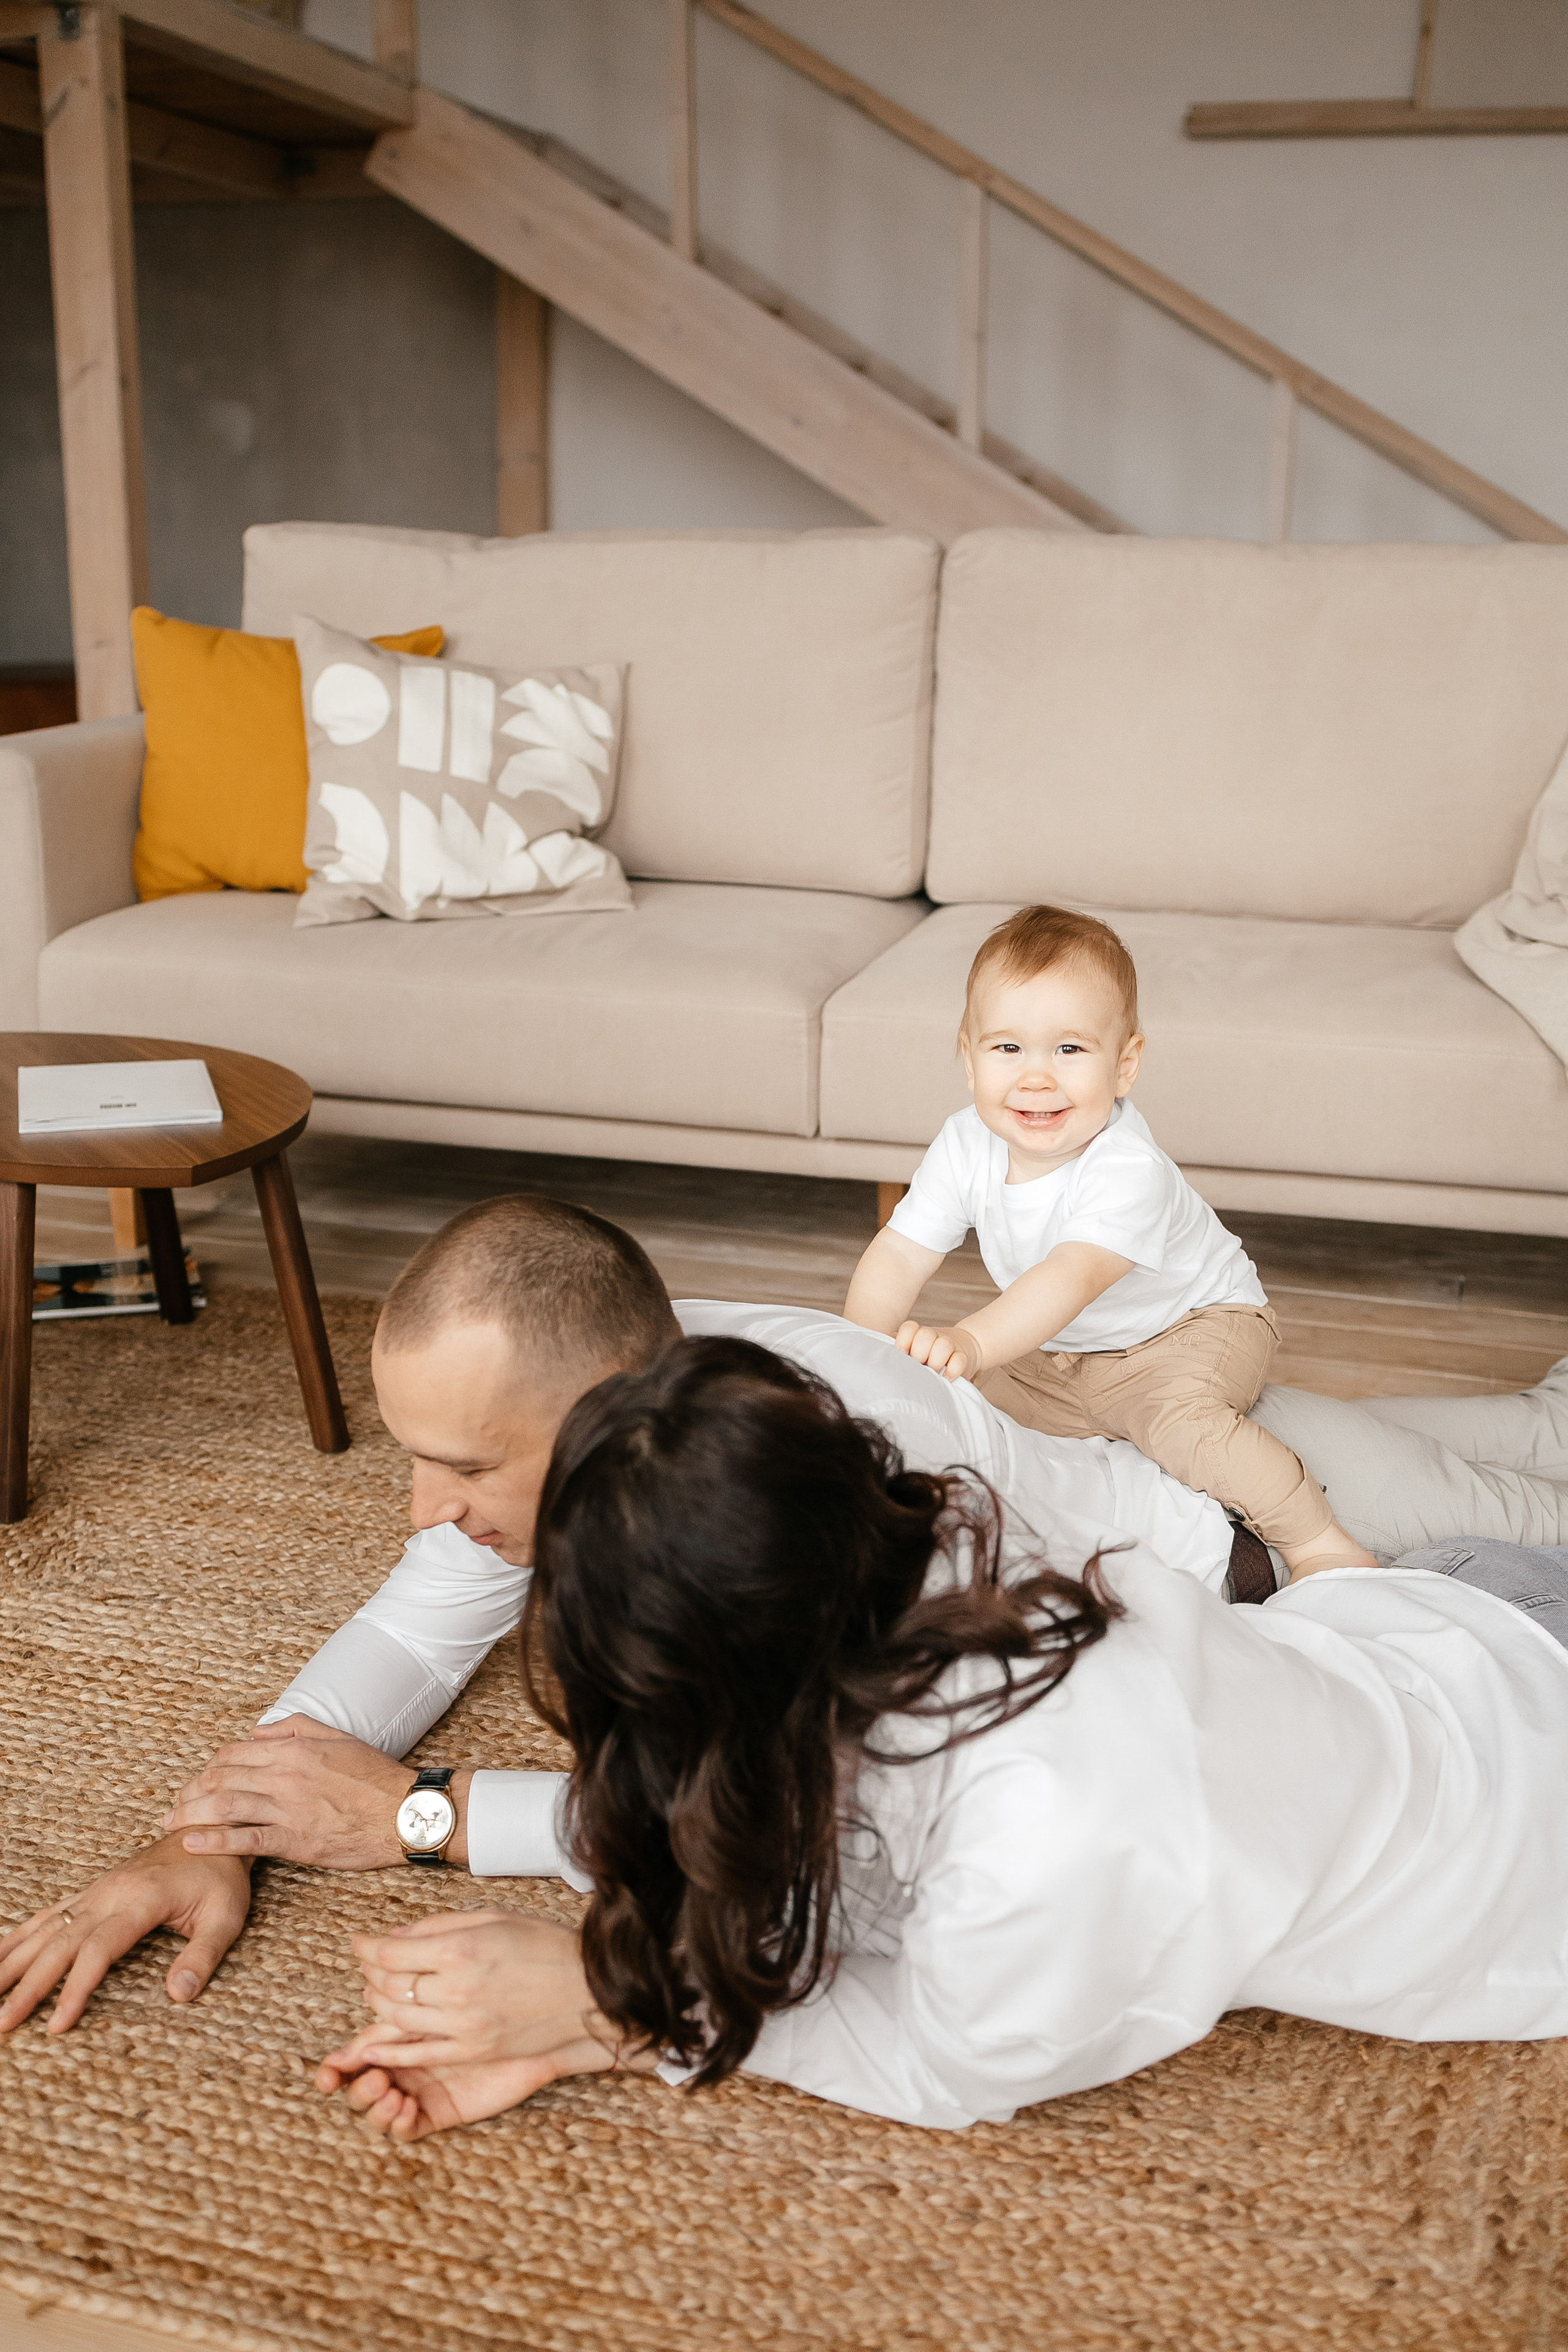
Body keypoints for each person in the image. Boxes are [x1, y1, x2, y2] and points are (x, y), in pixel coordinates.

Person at [5, 1194, 1568, 2040]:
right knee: (1536, 1417)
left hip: (1270, 1536)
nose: (425, 1510)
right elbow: (415, 1626)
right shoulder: (628, 1450)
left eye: (464, 1463)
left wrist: (436, 1820)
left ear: (614, 1405)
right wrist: (202, 1831)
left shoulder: (847, 1480)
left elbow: (845, 1839)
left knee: (1541, 1481)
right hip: (1328, 1582)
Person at [315, 1335, 1568, 2142]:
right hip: (1432, 1613)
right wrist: (438, 1821)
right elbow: (770, 1809)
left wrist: (608, 2014)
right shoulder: (889, 1541)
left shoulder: (1057, 1826)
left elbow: (945, 2058)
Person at [843, 904, 1374, 1577]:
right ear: (968, 1058)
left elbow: (1071, 1275)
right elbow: (900, 1251)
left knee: (1179, 1427)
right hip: (1069, 1348)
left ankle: (1318, 1541)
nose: (1036, 1077)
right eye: (1007, 1048)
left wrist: (972, 1342)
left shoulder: (1127, 1167)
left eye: (1069, 1049)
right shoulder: (964, 1143)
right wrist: (860, 1352)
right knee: (962, 1399)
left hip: (1194, 1326)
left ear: (1125, 1065)